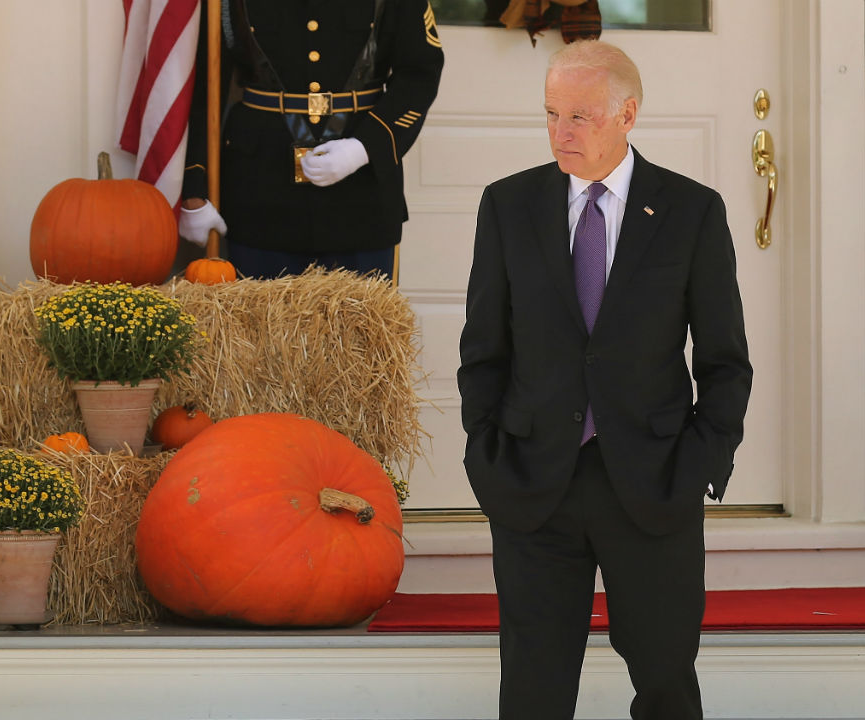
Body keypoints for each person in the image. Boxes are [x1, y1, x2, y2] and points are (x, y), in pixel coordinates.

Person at [457, 40, 752, 719]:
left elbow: (724, 359)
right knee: (533, 692)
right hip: (534, 482)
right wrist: (486, 453)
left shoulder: (691, 211)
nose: (561, 132)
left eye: (580, 117)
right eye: (551, 114)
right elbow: (483, 350)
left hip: (654, 481)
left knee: (666, 683)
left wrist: (702, 460)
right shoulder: (508, 206)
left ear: (628, 114)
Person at [178, 0, 444, 281]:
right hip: (261, 193)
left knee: (362, 311)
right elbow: (204, 84)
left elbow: (420, 73)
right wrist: (194, 187)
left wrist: (363, 147)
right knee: (258, 310)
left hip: (360, 197)